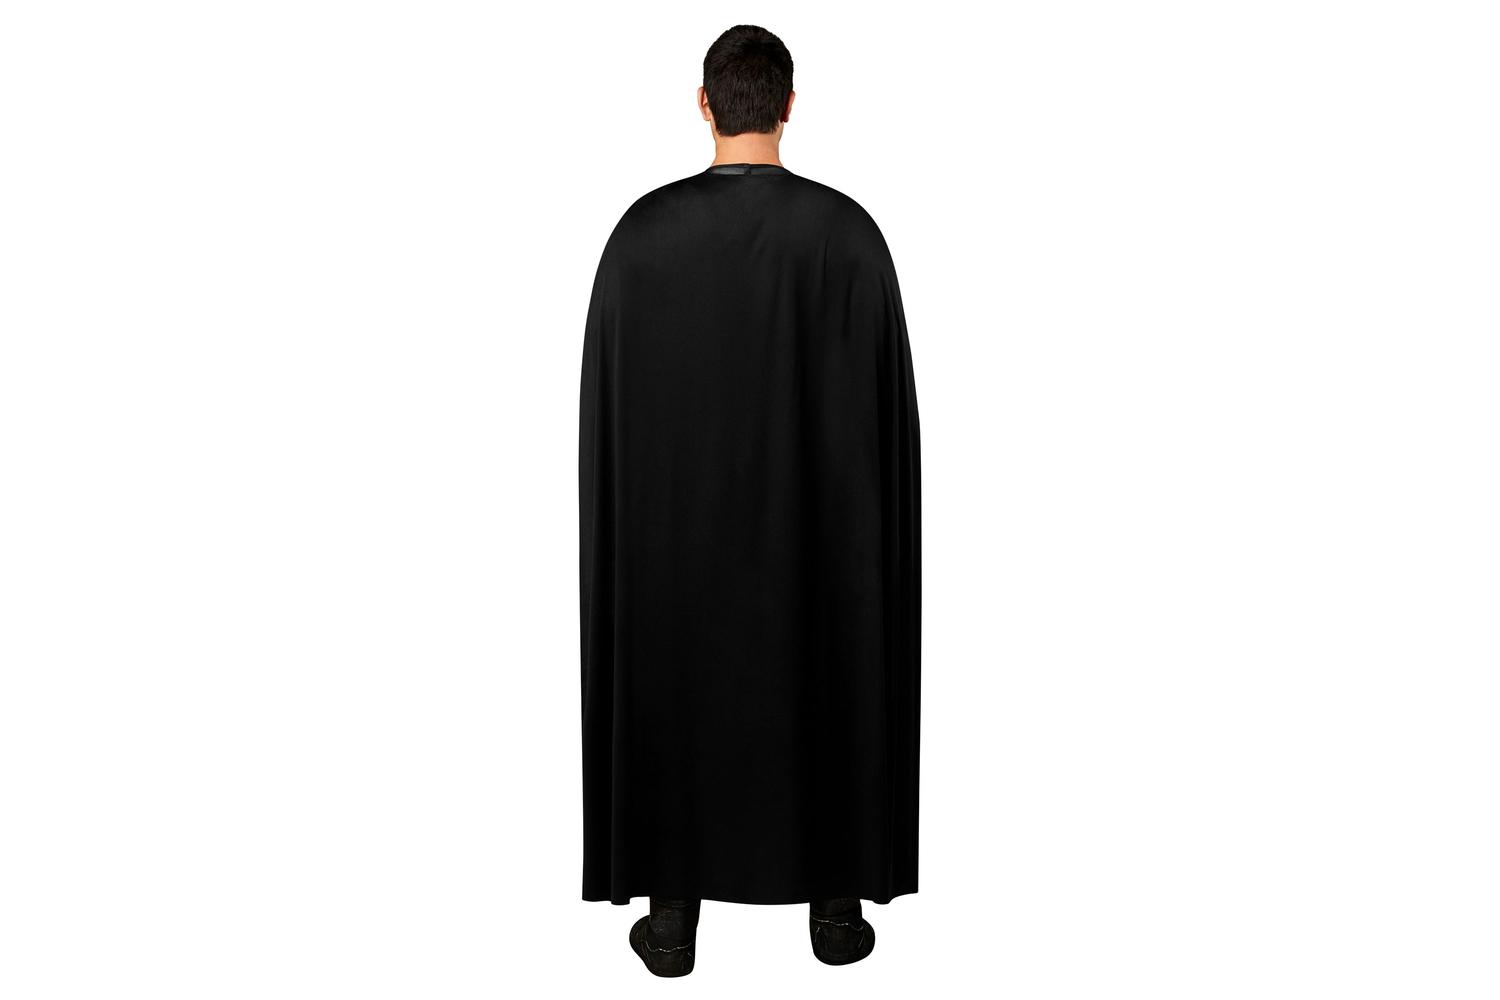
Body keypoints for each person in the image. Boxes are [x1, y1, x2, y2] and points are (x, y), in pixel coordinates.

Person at [578, 24, 921, 976]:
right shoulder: (849, 236)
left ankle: (672, 920)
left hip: (674, 548)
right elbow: (888, 426)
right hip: (819, 548)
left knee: (673, 674)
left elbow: (609, 421)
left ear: (704, 105)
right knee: (830, 661)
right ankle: (836, 912)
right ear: (789, 106)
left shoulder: (640, 239)